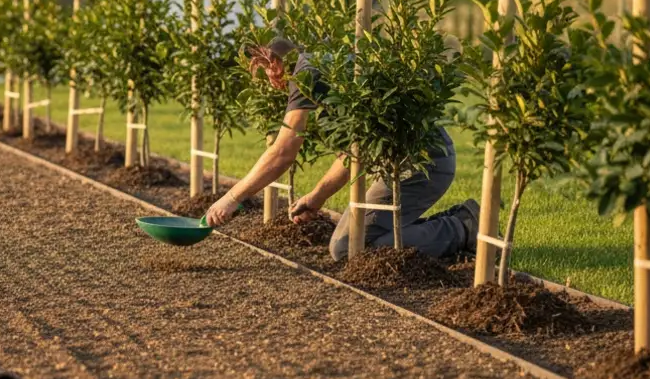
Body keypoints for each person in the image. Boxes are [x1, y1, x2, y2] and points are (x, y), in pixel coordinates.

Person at [203, 38, 479, 261]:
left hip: (420, 166)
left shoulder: (308, 74)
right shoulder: (327, 62)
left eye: (263, 72)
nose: (270, 82)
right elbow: (354, 152)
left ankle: (462, 227)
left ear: (273, 61)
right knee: (357, 242)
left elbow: (282, 152)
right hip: (414, 162)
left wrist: (231, 197)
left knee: (349, 248)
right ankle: (455, 220)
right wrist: (315, 197)